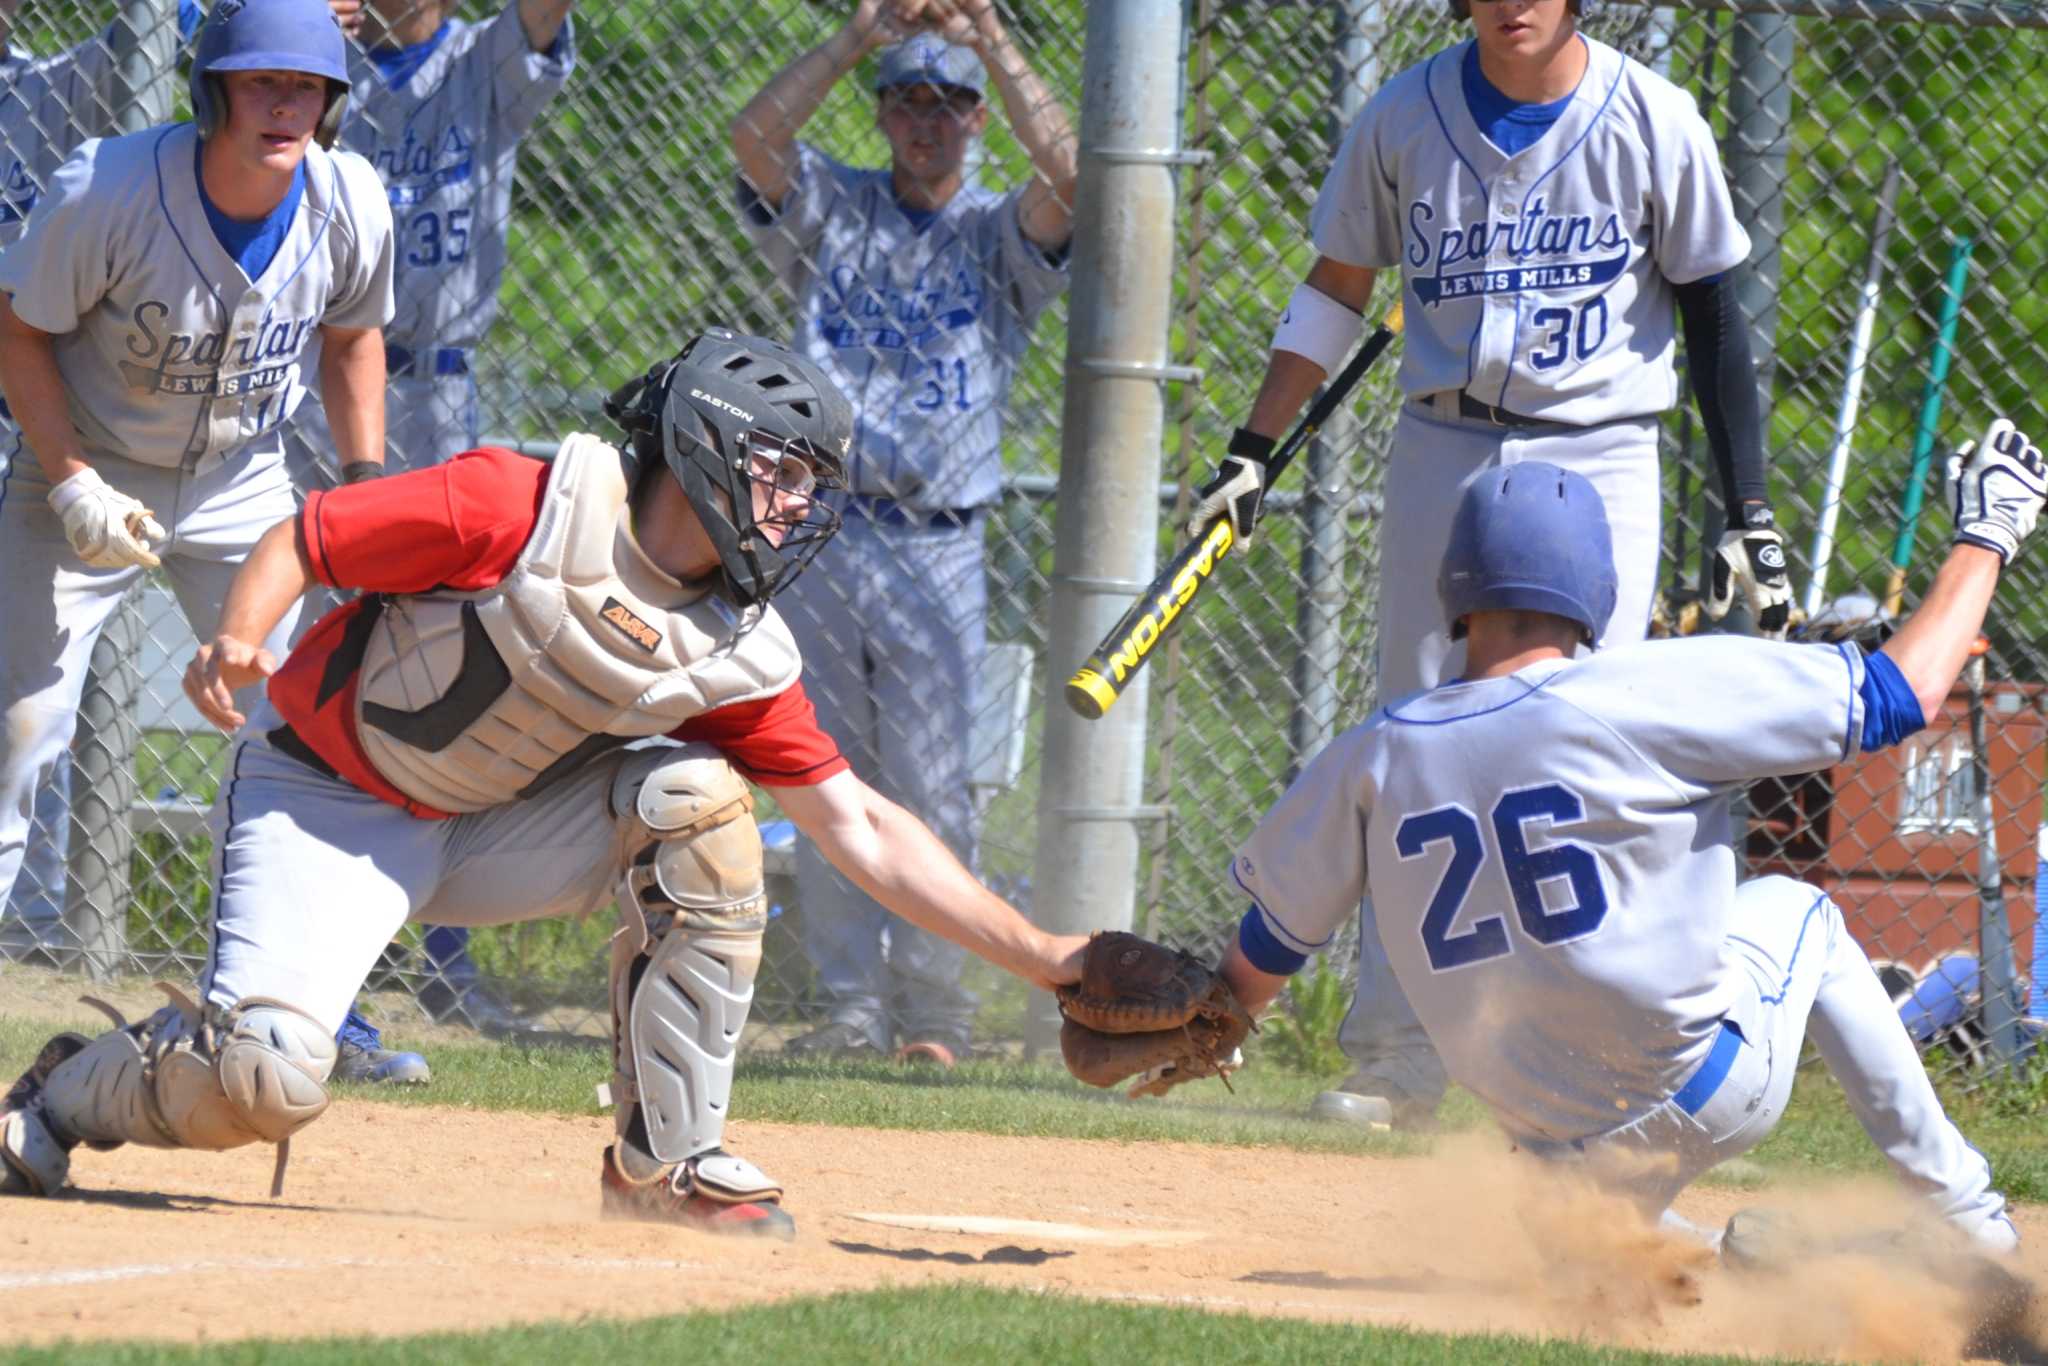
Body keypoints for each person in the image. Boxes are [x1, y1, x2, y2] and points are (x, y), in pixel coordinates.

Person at [0, 328, 1090, 1240]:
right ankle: (63, 1089)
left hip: (488, 827)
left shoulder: (735, 645)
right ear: (709, 446)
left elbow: (859, 827)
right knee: (266, 1083)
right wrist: (239, 636)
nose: (799, 510)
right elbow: (307, 536)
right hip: (326, 799)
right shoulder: (515, 505)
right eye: (785, 475)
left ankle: (664, 1164)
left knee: (702, 799)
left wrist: (1046, 961)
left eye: (811, 488)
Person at [1213, 426, 2047, 1256]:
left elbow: (1256, 966)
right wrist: (1989, 533)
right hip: (1708, 1089)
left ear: (1455, 597)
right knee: (1801, 913)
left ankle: (1655, 1241)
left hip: (1554, 1153)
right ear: (1593, 592)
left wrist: (1186, 1025)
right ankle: (1967, 1222)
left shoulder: (1372, 752)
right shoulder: (1641, 690)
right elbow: (1903, 693)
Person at [1184, 0, 1791, 1129]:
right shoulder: (1402, 114)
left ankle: (1609, 1065)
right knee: (1417, 734)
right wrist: (1251, 445)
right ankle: (1398, 1057)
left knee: (1598, 740)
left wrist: (1744, 504)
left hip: (1600, 448)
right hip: (1444, 443)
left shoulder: (1652, 118)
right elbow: (1335, 286)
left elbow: (1712, 319)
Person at [0, 0, 393, 991]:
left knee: (293, 728)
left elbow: (352, 340)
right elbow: (20, 332)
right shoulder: (110, 187)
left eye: (305, 86)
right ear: (214, 90)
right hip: (84, 468)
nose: (284, 105)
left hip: (240, 483)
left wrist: (362, 493)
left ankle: (286, 999)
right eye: (262, 81)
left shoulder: (349, 200)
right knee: (19, 726)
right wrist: (70, 474)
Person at [729, 0, 1076, 1064]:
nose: (929, 121)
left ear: (977, 120)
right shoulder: (836, 206)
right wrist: (853, 37)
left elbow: (1076, 177)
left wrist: (995, 45)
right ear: (882, 113)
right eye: (909, 101)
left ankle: (935, 1012)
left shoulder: (992, 230)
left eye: (950, 103)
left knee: (929, 787)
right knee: (822, 777)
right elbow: (753, 140)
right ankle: (849, 1007)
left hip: (936, 540)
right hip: (823, 527)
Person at [284, 0, 576, 1041]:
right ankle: (322, 959)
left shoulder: (481, 55)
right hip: (316, 385)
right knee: (319, 665)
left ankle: (444, 953)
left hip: (441, 396)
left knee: (450, 661)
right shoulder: (316, 57)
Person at [0, 0, 213, 962]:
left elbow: (152, 38)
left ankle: (40, 910)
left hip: (27, 399)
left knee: (23, 700)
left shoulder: (38, 89)